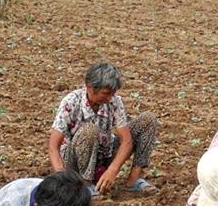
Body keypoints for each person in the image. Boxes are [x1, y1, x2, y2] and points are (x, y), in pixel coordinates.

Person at [48, 61, 159, 194]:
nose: (109, 98)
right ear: (90, 87)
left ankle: (134, 180)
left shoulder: (114, 101)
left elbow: (126, 141)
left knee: (148, 120)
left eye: (112, 93)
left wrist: (112, 170)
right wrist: (61, 178)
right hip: (74, 161)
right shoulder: (71, 102)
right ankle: (85, 185)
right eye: (105, 93)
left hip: (103, 155)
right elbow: (53, 146)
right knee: (89, 130)